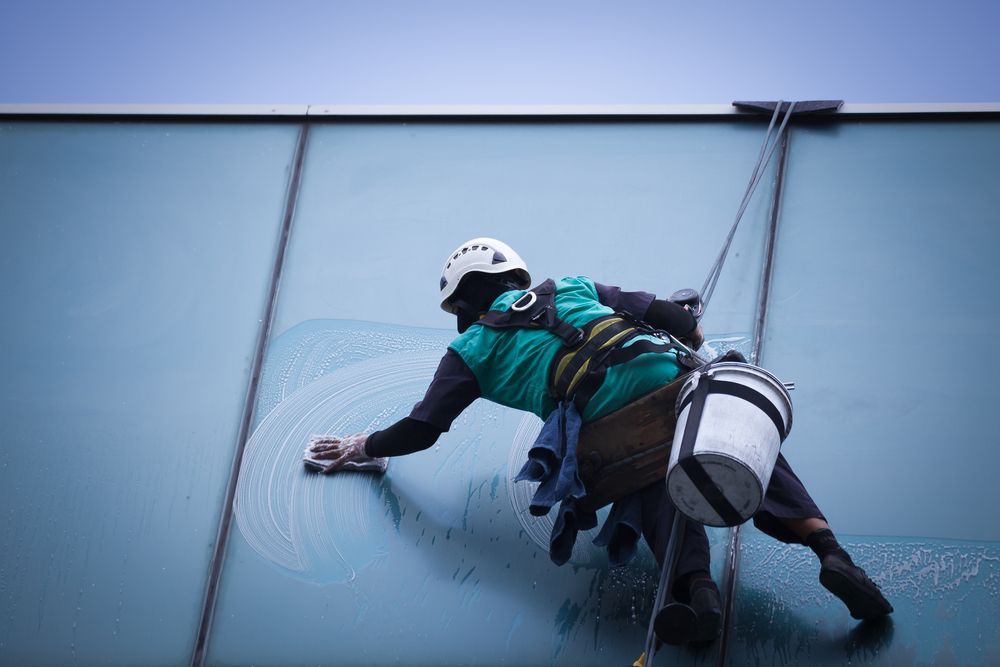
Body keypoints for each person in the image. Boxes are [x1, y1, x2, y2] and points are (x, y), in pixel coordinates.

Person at [307, 237, 892, 645]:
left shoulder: (470, 351)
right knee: (738, 443)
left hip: (606, 437)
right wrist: (694, 337)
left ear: (465, 303)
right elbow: (674, 319)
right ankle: (830, 552)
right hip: (667, 389)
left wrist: (363, 447)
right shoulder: (571, 286)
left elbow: (422, 429)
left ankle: (698, 592)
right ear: (512, 276)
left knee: (657, 482)